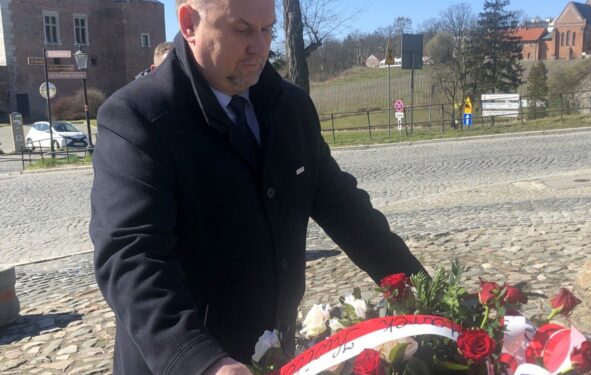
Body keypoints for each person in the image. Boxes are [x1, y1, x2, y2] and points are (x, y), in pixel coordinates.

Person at [89, 0, 426, 374]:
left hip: (275, 353)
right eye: (242, 29)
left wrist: (422, 294)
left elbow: (346, 209)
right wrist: (202, 361)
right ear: (189, 23)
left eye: (267, 30)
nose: (260, 47)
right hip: (185, 360)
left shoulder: (291, 107)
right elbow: (131, 257)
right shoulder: (139, 117)